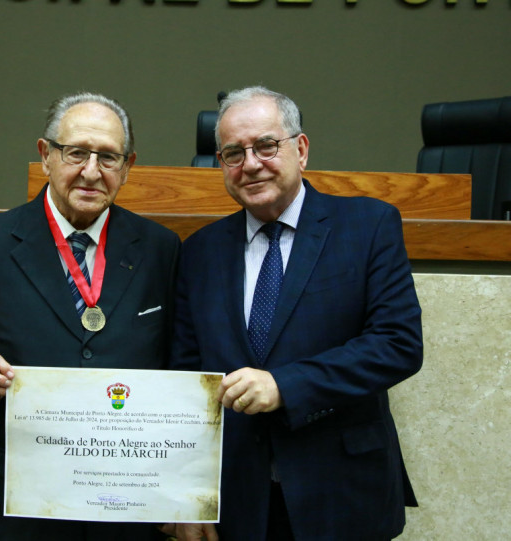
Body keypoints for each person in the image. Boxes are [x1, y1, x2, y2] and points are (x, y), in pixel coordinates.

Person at [0, 92, 180, 541]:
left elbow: (180, 366)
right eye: (77, 153)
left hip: (126, 504)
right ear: (46, 155)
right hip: (17, 505)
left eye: (108, 157)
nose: (91, 171)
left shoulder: (161, 249)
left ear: (128, 166)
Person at [169, 86, 422, 541]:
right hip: (238, 502)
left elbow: (397, 345)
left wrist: (285, 385)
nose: (250, 164)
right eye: (232, 153)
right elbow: (188, 382)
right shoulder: (198, 252)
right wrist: (189, 494)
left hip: (342, 494)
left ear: (300, 149)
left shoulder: (368, 225)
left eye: (266, 145)